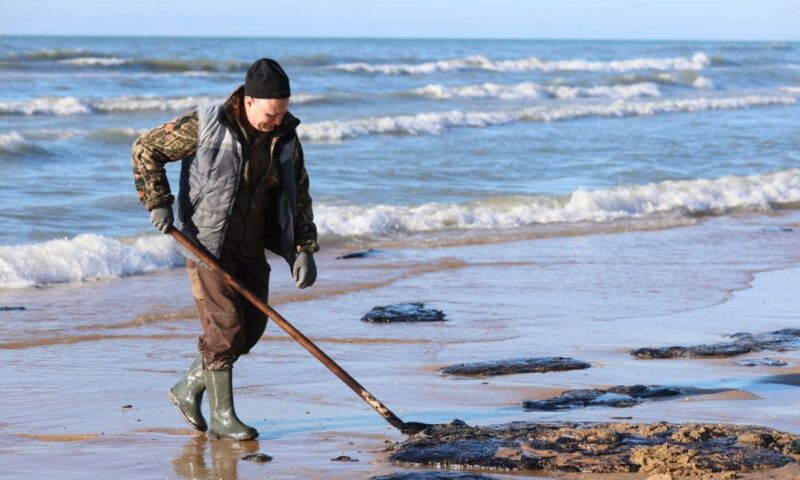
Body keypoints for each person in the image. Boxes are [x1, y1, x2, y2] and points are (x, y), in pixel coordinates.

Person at [131, 58, 319, 440]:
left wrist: (304, 247)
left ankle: (188, 387)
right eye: (271, 114)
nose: (277, 120)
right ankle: (223, 418)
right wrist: (158, 201)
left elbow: (298, 191)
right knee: (225, 330)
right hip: (206, 245)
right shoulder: (207, 123)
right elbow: (145, 148)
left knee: (250, 331)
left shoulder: (285, 136)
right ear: (248, 101)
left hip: (251, 246)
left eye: (282, 113)